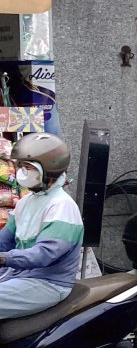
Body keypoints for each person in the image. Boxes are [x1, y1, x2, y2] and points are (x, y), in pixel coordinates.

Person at [0, 133, 83, 321]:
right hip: (18, 275)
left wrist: (5, 258)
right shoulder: (25, 202)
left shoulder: (62, 206)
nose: (22, 172)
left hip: (48, 283)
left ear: (49, 171)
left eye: (29, 167)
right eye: (21, 166)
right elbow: (4, 240)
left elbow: (44, 254)